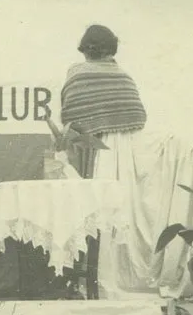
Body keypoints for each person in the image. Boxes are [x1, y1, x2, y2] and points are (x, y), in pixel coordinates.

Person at [60, 24, 160, 298]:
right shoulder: (123, 76)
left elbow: (71, 119)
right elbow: (137, 116)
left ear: (85, 48)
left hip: (92, 150)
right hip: (124, 151)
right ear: (111, 49)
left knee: (92, 210)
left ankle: (89, 280)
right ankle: (114, 277)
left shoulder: (76, 74)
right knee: (122, 210)